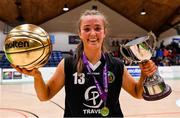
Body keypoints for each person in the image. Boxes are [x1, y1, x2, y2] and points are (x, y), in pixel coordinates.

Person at [12, 10, 157, 117]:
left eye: (98, 28)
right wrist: (37, 76)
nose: (92, 33)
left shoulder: (117, 65)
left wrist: (145, 74)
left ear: (104, 32)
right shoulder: (67, 64)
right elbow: (45, 96)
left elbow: (138, 93)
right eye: (87, 29)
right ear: (80, 33)